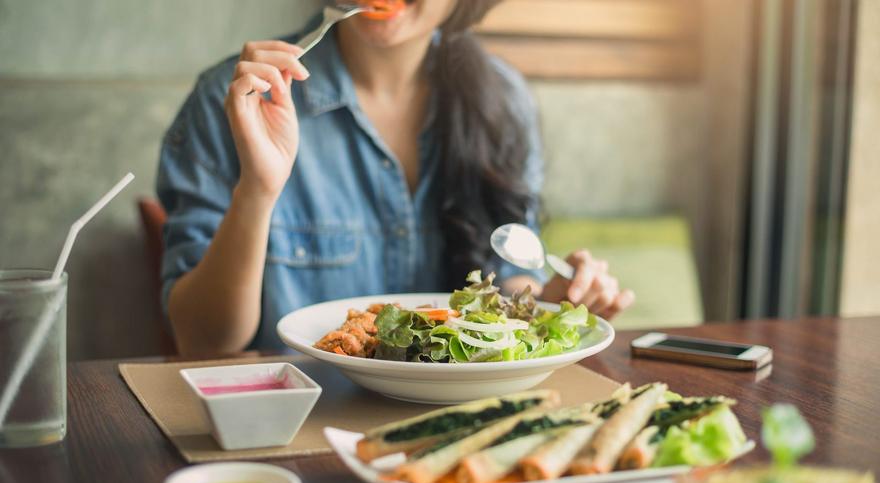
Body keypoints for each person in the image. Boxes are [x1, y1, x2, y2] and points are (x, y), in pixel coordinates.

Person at [157, 0, 635, 356]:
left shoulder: (502, 101)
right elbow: (201, 342)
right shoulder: (237, 99)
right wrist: (256, 192)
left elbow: (505, 282)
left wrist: (550, 304)